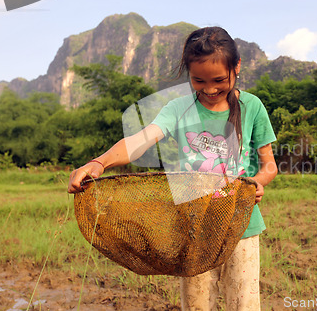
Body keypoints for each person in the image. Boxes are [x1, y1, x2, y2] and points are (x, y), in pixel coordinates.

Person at [68, 26, 278, 310]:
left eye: (219, 80)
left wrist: (255, 183)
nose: (210, 89)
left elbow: (269, 166)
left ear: (237, 67)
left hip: (242, 226)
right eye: (198, 80)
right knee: (195, 305)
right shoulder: (178, 108)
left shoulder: (251, 107)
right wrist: (99, 162)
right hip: (193, 229)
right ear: (188, 74)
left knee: (244, 305)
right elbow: (140, 141)